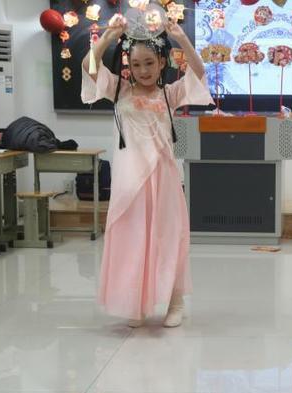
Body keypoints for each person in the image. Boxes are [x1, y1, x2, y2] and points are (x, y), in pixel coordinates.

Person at [81, 14, 213, 328]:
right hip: (129, 182)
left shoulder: (170, 94)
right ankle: (135, 304)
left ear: (162, 62)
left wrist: (182, 38)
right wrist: (108, 37)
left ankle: (175, 302)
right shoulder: (119, 90)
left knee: (168, 238)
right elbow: (89, 66)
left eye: (149, 63)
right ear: (129, 64)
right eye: (137, 64)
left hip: (164, 179)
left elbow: (198, 72)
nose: (143, 70)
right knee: (132, 240)